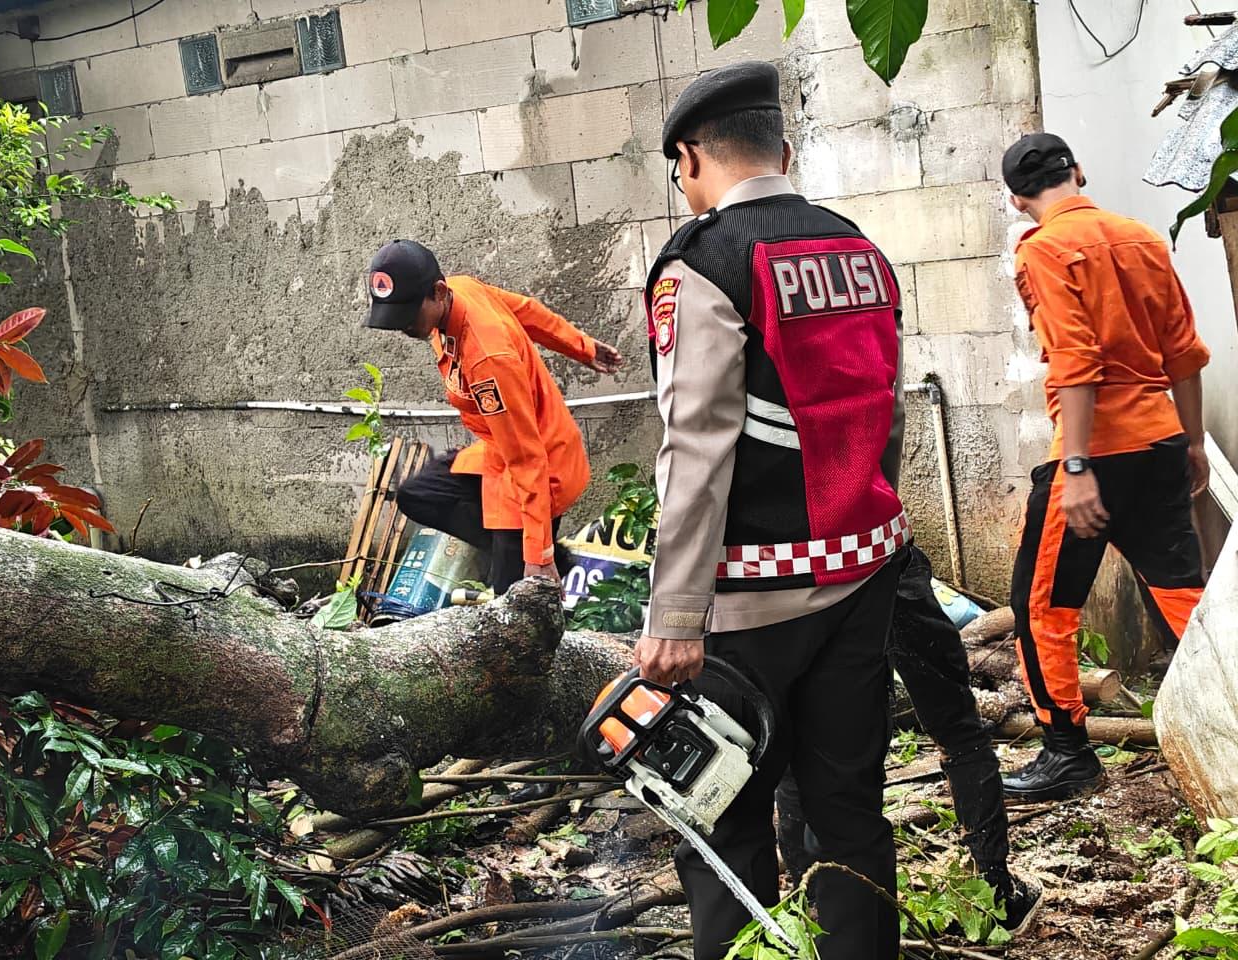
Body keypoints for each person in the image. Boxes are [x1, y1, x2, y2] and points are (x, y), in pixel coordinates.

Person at [634, 61, 911, 960]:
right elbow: (886, 409)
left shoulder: (703, 264)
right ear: (783, 152)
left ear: (688, 160)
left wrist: (674, 616)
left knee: (726, 824)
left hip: (749, 605)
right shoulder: (857, 248)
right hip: (862, 579)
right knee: (848, 813)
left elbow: (697, 449)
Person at [1000, 133, 1211, 801]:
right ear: (1078, 172)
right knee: (1186, 599)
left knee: (1041, 607)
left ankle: (1067, 750)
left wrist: (1081, 467)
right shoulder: (1142, 237)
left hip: (1098, 454)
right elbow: (1183, 351)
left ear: (1016, 200)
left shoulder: (1042, 250)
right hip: (1163, 441)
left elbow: (1077, 364)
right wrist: (1195, 443)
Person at [776, 545, 1041, 934]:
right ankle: (996, 891)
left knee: (800, 739)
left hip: (787, 578)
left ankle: (810, 898)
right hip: (875, 557)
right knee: (958, 728)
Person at [361, 240, 623, 595]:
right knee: (418, 494)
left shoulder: (488, 360)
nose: (403, 326)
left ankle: (529, 559)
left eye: (409, 313)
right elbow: (528, 311)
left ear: (438, 292)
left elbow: (529, 459)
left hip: (539, 471)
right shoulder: (461, 290)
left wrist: (538, 555)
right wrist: (583, 346)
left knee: (514, 608)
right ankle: (523, 554)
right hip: (499, 454)